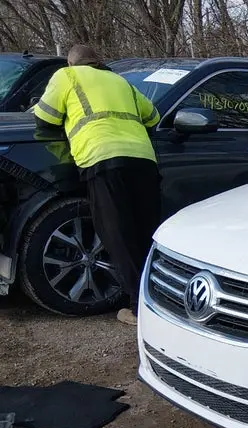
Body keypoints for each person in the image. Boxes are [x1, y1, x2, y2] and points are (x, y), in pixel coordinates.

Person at [33, 44, 162, 326]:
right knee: (145, 232)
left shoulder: (66, 77)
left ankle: (139, 310)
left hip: (102, 159)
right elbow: (153, 118)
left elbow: (44, 117)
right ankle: (161, 299)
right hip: (143, 160)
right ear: (99, 62)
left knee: (117, 233)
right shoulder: (121, 81)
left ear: (71, 63)